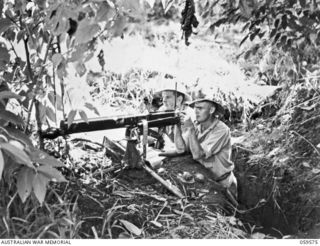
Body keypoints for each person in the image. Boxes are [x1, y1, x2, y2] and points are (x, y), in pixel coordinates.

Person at [174, 97, 238, 199]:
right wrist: (176, 126)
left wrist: (190, 129)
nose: (196, 112)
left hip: (223, 183)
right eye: (195, 108)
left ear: (211, 110)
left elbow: (198, 155)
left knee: (229, 213)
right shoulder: (197, 127)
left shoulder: (221, 130)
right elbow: (180, 149)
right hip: (208, 182)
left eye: (200, 108)